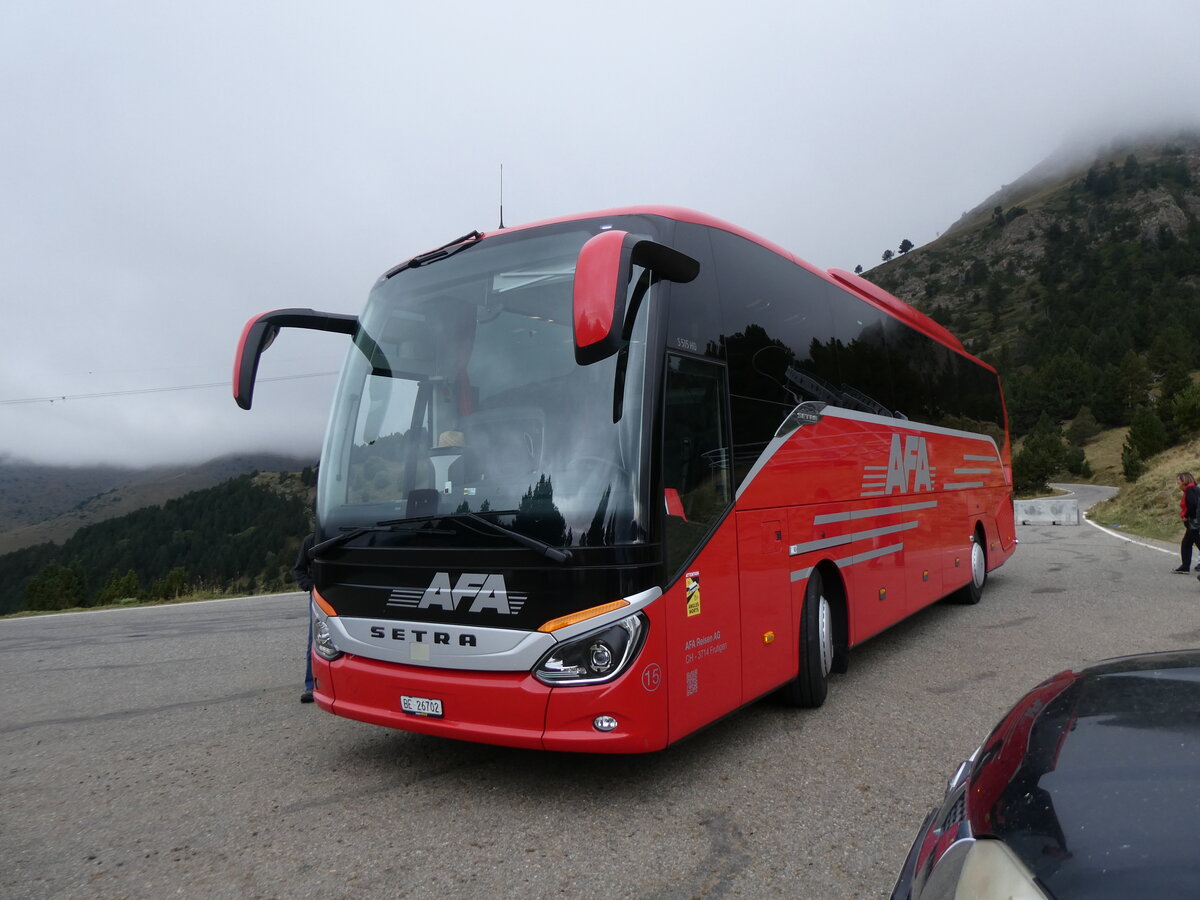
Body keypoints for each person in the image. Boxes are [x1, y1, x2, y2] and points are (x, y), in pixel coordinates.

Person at [293, 531, 317, 702]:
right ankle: (311, 686)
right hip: (318, 595)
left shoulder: (340, 535)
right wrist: (311, 587)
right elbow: (299, 570)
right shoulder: (310, 540)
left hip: (342, 592)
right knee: (314, 640)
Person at [1174, 472, 1200, 573]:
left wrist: (1186, 516)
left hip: (1194, 522)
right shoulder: (1194, 489)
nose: (1177, 483)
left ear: (1184, 481)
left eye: (1178, 480)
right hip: (1195, 521)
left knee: (1197, 541)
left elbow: (1193, 505)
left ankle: (1185, 566)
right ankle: (1185, 567)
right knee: (1186, 543)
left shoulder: (1190, 490)